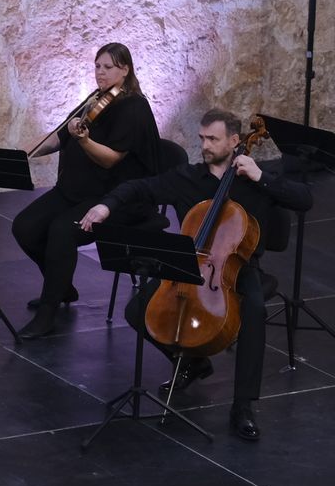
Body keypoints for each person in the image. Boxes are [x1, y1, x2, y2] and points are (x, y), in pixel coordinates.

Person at [79, 109, 313, 441]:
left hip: (240, 268)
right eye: (202, 138)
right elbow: (138, 188)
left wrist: (262, 177)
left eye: (213, 139)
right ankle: (191, 361)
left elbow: (305, 200)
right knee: (137, 312)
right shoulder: (187, 178)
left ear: (234, 141)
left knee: (255, 311)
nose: (204, 145)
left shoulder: (255, 178)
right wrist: (106, 206)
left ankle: (243, 406)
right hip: (191, 264)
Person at [14, 43, 160, 340]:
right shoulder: (96, 98)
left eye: (108, 67)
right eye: (97, 66)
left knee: (61, 231)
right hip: (76, 190)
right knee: (24, 227)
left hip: (114, 198)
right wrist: (25, 153)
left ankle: (48, 312)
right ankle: (62, 287)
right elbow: (61, 135)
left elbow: (111, 159)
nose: (101, 73)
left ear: (125, 70)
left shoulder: (134, 107)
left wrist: (83, 141)